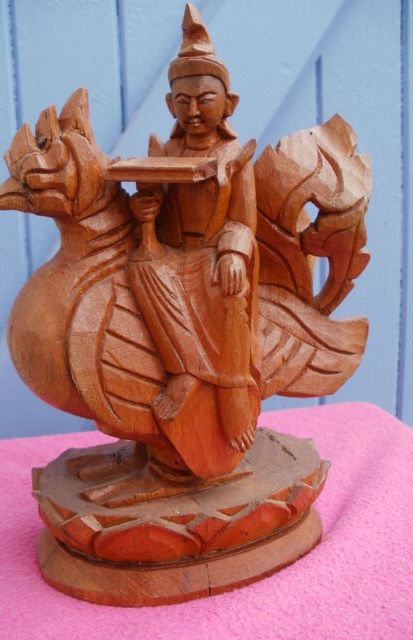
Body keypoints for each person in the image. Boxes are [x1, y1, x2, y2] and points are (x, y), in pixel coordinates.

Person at [128, 4, 260, 476]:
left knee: (228, 290)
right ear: (170, 106)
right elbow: (155, 206)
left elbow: (244, 221)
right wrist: (146, 211)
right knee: (140, 270)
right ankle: (184, 369)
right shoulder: (166, 152)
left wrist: (233, 252)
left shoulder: (236, 156)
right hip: (172, 253)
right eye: (182, 102)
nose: (193, 111)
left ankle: (233, 390)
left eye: (205, 99)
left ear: (229, 104)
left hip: (213, 255)